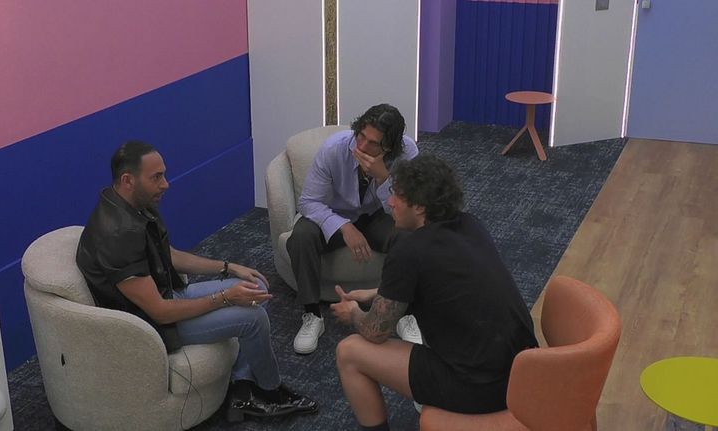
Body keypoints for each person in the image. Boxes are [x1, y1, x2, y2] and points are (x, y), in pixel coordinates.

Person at [76, 141, 317, 423]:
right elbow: (159, 312)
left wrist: (229, 267)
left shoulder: (136, 204)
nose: (165, 184)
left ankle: (241, 389)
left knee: (256, 288)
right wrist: (226, 298)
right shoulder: (118, 235)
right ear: (128, 180)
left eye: (164, 174)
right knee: (254, 318)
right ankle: (271, 392)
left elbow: (168, 255)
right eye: (156, 177)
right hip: (149, 326)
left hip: (167, 294)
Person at [330, 154, 538, 431]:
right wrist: (377, 294)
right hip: (523, 373)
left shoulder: (408, 250)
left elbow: (375, 331)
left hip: (481, 388)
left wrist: (353, 313)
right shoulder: (470, 224)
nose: (390, 202)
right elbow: (446, 286)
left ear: (419, 207)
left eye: (397, 195)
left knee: (349, 352)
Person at [288, 103, 420, 355]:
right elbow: (309, 202)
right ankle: (312, 314)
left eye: (373, 143)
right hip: (335, 213)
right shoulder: (334, 149)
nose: (361, 146)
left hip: (379, 214)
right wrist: (344, 226)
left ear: (389, 147)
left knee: (408, 238)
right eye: (361, 136)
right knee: (301, 236)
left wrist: (383, 178)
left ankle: (406, 311)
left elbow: (409, 208)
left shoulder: (408, 153)